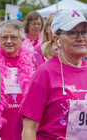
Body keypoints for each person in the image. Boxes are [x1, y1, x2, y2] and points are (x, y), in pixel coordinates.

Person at [20, 10, 87, 139]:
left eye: (84, 31)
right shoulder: (45, 73)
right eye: (72, 32)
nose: (81, 38)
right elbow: (29, 127)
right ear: (57, 40)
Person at [0, 19, 34, 140]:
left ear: (22, 40)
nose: (9, 41)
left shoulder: (32, 61)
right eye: (4, 37)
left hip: (24, 124)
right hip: (0, 126)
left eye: (13, 37)